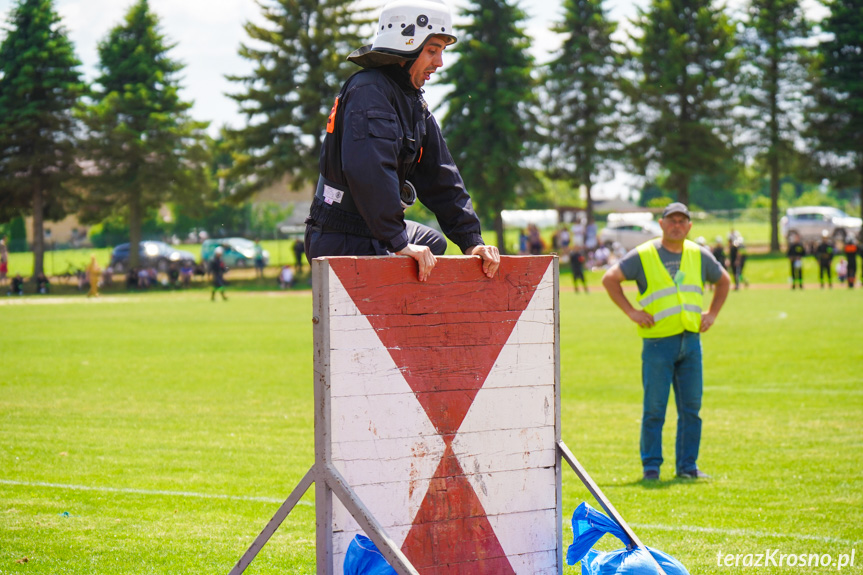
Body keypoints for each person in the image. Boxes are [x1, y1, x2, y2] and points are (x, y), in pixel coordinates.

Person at [303, 0, 499, 282]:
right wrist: (398, 242)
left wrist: (471, 241)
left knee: (433, 244)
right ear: (405, 46)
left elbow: (441, 176)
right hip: (342, 236)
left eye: (441, 51)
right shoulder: (369, 90)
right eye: (432, 51)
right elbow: (369, 170)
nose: (439, 63)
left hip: (372, 229)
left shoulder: (411, 100)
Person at [601, 202, 731, 481]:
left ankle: (687, 467)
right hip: (658, 343)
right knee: (654, 409)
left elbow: (724, 281)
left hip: (691, 341)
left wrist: (713, 313)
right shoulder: (645, 254)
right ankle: (651, 468)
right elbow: (610, 279)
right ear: (661, 224)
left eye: (682, 221)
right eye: (671, 220)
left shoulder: (698, 254)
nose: (677, 225)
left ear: (690, 226)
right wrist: (631, 311)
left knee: (691, 410)